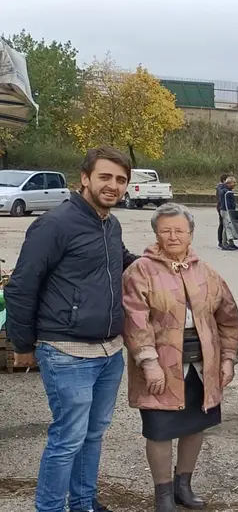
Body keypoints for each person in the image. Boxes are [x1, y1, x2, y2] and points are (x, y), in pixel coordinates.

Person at [6, 146, 139, 512]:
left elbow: (121, 261)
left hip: (110, 352)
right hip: (67, 352)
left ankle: (84, 503)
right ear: (84, 178)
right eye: (105, 177)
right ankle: (50, 508)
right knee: (68, 438)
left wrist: (160, 261)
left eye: (121, 179)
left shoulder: (110, 224)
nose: (113, 185)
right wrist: (23, 344)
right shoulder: (55, 224)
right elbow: (21, 285)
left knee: (92, 435)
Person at [121, 203, 238, 511]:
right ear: (156, 233)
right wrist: (149, 362)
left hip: (202, 365)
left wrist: (228, 358)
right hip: (160, 365)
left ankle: (183, 485)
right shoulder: (140, 271)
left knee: (194, 425)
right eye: (165, 230)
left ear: (191, 234)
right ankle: (162, 493)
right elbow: (136, 321)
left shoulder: (206, 272)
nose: (173, 236)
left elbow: (228, 318)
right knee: (160, 430)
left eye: (179, 230)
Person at [216, 174, 237, 250]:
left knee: (228, 226)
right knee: (226, 226)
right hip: (225, 210)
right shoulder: (224, 191)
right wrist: (230, 208)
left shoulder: (227, 190)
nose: (234, 184)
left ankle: (230, 243)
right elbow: (225, 201)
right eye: (233, 183)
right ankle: (224, 243)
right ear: (228, 183)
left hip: (226, 209)